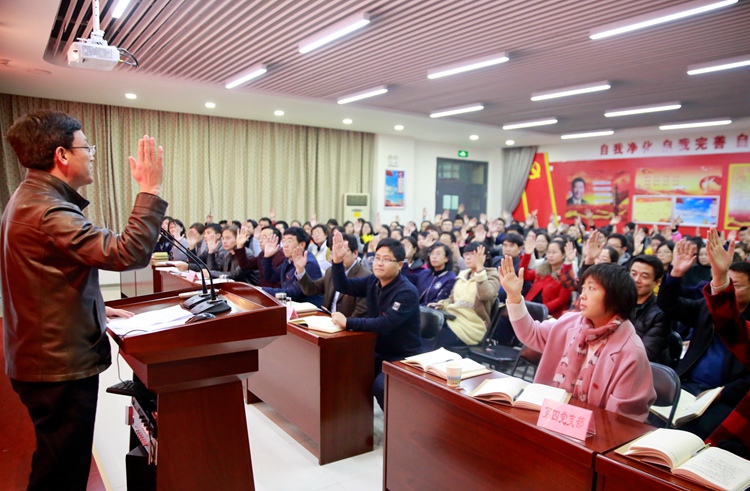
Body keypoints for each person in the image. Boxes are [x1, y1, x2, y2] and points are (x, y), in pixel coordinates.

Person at [1, 110, 167, 490]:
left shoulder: (31, 197)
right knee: (62, 474)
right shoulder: (47, 209)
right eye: (86, 148)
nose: (91, 155)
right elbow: (127, 253)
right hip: (56, 367)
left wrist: (94, 307)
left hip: (42, 356)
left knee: (56, 463)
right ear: (62, 155)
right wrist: (150, 189)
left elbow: (44, 280)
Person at [498, 258, 655, 421]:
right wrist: (514, 296)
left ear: (616, 298)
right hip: (549, 415)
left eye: (591, 288)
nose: (583, 295)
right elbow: (532, 333)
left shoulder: (630, 352)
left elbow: (618, 421)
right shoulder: (571, 322)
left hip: (592, 429)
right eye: (584, 288)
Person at [657, 238, 750, 439]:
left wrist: (723, 393)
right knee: (652, 418)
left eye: (736, 285)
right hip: (687, 383)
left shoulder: (743, 327)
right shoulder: (707, 308)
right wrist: (675, 275)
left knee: (695, 433)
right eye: (726, 282)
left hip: (722, 395)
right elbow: (669, 305)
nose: (729, 289)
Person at [329, 233, 422, 410]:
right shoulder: (374, 280)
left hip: (402, 356)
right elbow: (344, 286)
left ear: (400, 265)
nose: (379, 263)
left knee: (381, 386)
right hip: (375, 350)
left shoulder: (406, 292)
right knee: (344, 371)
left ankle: (395, 423)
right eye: (377, 258)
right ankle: (355, 422)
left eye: (386, 259)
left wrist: (348, 322)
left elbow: (385, 324)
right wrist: (337, 261)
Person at [430, 243, 500, 348]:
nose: (468, 257)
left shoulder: (492, 275)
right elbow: (452, 299)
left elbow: (485, 295)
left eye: (472, 254)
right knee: (425, 328)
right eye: (466, 254)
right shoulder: (463, 274)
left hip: (472, 326)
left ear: (484, 257)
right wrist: (441, 304)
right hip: (452, 318)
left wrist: (480, 271)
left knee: (437, 337)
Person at [295, 233, 370, 317]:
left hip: (347, 323)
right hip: (328, 319)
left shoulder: (364, 275)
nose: (337, 255)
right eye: (334, 252)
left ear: (355, 253)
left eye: (342, 251)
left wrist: (345, 323)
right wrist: (300, 270)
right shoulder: (331, 271)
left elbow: (361, 311)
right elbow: (311, 289)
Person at [262, 226, 324, 306]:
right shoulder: (288, 260)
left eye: (289, 241)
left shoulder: (309, 263)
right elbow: (270, 277)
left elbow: (294, 292)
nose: (285, 245)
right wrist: (267, 258)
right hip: (291, 305)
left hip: (309, 308)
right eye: (284, 241)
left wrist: (263, 290)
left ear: (302, 244)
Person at [628, 255, 671, 363]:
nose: (636, 280)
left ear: (657, 282)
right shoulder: (618, 302)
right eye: (633, 274)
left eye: (644, 276)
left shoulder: (661, 313)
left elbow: (645, 354)